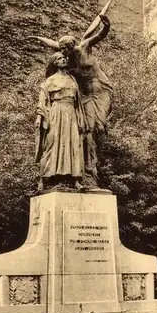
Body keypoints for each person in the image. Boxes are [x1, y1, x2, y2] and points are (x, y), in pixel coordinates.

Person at [30, 14, 113, 188]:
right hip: (83, 96)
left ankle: (88, 171)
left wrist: (106, 26)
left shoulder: (83, 47)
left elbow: (98, 36)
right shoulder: (65, 71)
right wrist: (37, 37)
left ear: (71, 46)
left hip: (100, 90)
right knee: (86, 132)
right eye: (60, 51)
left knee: (97, 127)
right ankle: (87, 172)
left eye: (64, 50)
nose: (62, 54)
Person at [35, 52, 88, 191]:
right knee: (53, 143)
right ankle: (45, 178)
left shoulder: (72, 79)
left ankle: (75, 179)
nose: (63, 59)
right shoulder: (50, 81)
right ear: (55, 63)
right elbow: (42, 101)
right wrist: (39, 118)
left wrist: (81, 119)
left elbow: (78, 103)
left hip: (71, 113)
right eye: (59, 58)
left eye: (64, 58)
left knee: (73, 143)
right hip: (56, 112)